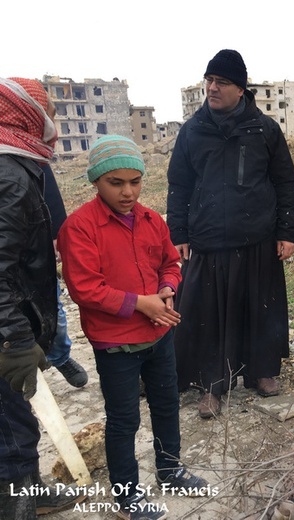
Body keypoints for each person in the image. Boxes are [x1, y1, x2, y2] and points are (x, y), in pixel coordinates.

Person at [58, 135, 209, 518]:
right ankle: (127, 497)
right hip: (116, 344)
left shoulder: (151, 220)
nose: (128, 192)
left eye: (135, 181)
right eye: (116, 182)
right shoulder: (79, 227)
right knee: (124, 420)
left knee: (166, 405)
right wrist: (141, 304)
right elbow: (86, 289)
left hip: (159, 335)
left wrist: (166, 289)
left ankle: (170, 470)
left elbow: (169, 263)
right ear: (95, 181)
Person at [166, 49, 294, 418]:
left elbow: (285, 181)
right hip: (209, 239)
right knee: (209, 317)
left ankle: (262, 373)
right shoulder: (192, 131)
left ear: (240, 89)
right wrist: (178, 230)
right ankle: (212, 386)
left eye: (221, 82)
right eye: (209, 80)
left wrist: (287, 230)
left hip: (257, 237)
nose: (212, 88)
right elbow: (178, 184)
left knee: (260, 311)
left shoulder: (265, 130)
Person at [0, 77, 85, 519]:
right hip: (3, 331)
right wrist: (15, 339)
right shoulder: (11, 175)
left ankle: (31, 488)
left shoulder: (18, 163)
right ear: (27, 114)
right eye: (46, 111)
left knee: (16, 420)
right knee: (11, 429)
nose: (52, 120)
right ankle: (18, 505)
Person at [42, 162, 88, 388]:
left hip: (31, 238)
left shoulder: (22, 146)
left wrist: (56, 232)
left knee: (51, 308)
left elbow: (46, 184)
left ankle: (59, 356)